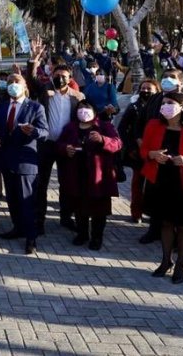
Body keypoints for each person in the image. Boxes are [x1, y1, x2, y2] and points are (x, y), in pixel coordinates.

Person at [140, 92, 183, 284]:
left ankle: (181, 264)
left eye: (170, 103)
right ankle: (165, 260)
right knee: (165, 223)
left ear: (182, 107)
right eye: (163, 103)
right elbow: (144, 150)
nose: (165, 107)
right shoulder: (154, 125)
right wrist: (153, 154)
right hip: (160, 180)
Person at [0, 73, 49, 254]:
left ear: (25, 86)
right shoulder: (1, 107)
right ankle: (18, 228)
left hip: (26, 161)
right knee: (12, 198)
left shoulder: (35, 107)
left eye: (17, 82)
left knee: (27, 200)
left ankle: (31, 237)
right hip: (6, 159)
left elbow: (45, 132)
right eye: (10, 82)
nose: (13, 85)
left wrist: (33, 131)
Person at [58, 100, 122, 251]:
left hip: (98, 175)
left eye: (87, 107)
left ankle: (97, 237)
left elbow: (117, 143)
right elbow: (59, 144)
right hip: (76, 172)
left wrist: (102, 139)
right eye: (80, 108)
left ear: (94, 110)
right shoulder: (71, 127)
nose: (83, 110)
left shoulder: (104, 126)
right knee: (79, 207)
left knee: (99, 209)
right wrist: (65, 148)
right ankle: (82, 234)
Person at [33, 63, 84, 233]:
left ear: (70, 79)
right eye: (57, 75)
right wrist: (33, 62)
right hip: (46, 144)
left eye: (64, 76)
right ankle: (39, 219)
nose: (60, 78)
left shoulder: (78, 97)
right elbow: (32, 81)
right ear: (51, 76)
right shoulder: (45, 92)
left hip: (66, 146)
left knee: (67, 183)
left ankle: (66, 217)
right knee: (41, 183)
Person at [118, 80, 160, 224]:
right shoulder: (134, 107)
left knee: (154, 187)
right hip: (138, 153)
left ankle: (154, 215)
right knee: (137, 184)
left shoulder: (162, 106)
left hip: (158, 153)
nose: (146, 91)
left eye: (149, 88)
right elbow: (122, 129)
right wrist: (130, 147)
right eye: (143, 88)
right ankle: (136, 213)